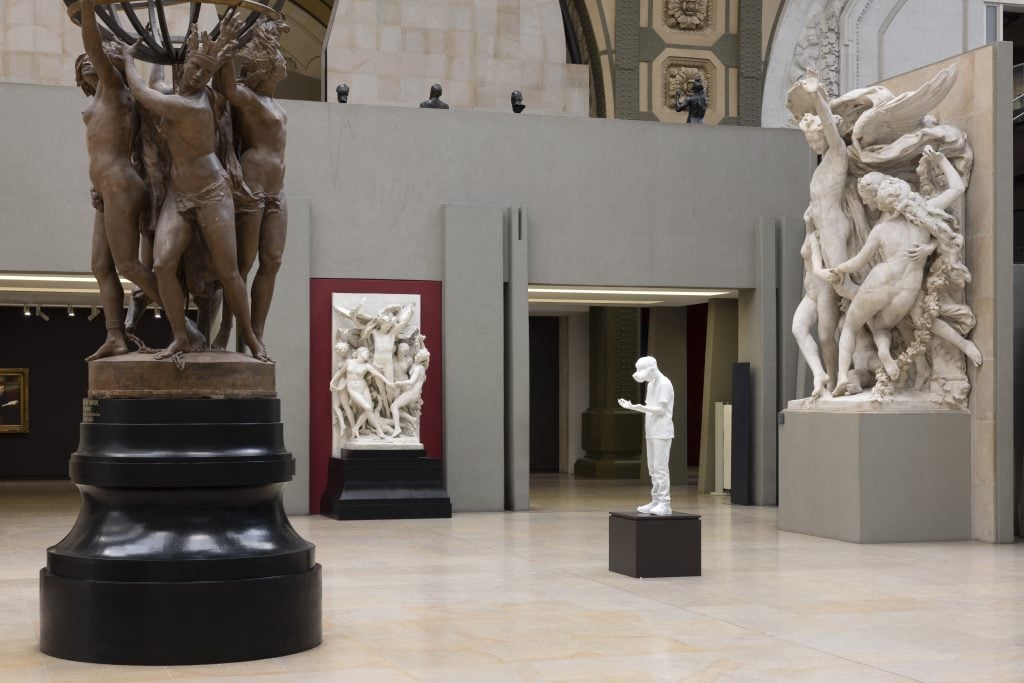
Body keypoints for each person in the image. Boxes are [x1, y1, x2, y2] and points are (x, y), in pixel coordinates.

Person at [121, 19, 269, 362]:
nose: (201, 75)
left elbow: (144, 93)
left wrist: (129, 59)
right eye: (197, 67)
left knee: (229, 272)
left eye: (207, 71)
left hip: (212, 192)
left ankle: (252, 338)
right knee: (162, 264)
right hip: (180, 193)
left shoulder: (194, 105)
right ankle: (180, 337)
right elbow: (157, 82)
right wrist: (154, 43)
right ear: (186, 64)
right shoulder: (180, 96)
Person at [825, 147, 980, 396]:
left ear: (885, 203)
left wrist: (836, 269)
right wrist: (941, 160)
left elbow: (856, 263)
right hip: (908, 287)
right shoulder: (924, 217)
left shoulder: (882, 229)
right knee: (922, 321)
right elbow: (957, 188)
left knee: (854, 326)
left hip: (881, 280)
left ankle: (845, 375)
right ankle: (964, 344)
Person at [76, 0, 170, 361]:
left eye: (95, 58)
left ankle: (188, 328)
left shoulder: (115, 88)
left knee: (129, 265)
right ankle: (115, 336)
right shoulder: (102, 97)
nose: (89, 61)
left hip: (120, 184)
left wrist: (87, 9)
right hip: (105, 189)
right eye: (82, 62)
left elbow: (94, 44)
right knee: (100, 266)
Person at [212, 16, 289, 351]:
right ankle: (233, 330)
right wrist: (227, 48)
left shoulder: (274, 104)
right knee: (242, 265)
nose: (282, 66)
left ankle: (255, 333)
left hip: (276, 188)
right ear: (266, 68)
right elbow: (226, 89)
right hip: (252, 183)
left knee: (271, 260)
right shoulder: (248, 98)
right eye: (277, 62)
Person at [618, 357, 674, 516]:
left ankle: (665, 503)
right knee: (652, 468)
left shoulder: (664, 383)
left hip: (662, 431)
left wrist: (639, 407)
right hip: (651, 431)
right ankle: (656, 500)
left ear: (652, 369)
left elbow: (661, 410)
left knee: (661, 468)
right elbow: (651, 408)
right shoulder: (651, 385)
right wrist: (632, 407)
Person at [389, 349, 429, 437]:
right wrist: (422, 341)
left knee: (394, 406)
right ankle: (412, 419)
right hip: (410, 390)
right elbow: (425, 350)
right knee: (394, 407)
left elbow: (411, 381)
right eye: (418, 354)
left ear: (423, 359)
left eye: (420, 356)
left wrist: (399, 383)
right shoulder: (416, 364)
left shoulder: (419, 368)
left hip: (413, 393)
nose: (417, 356)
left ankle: (397, 428)